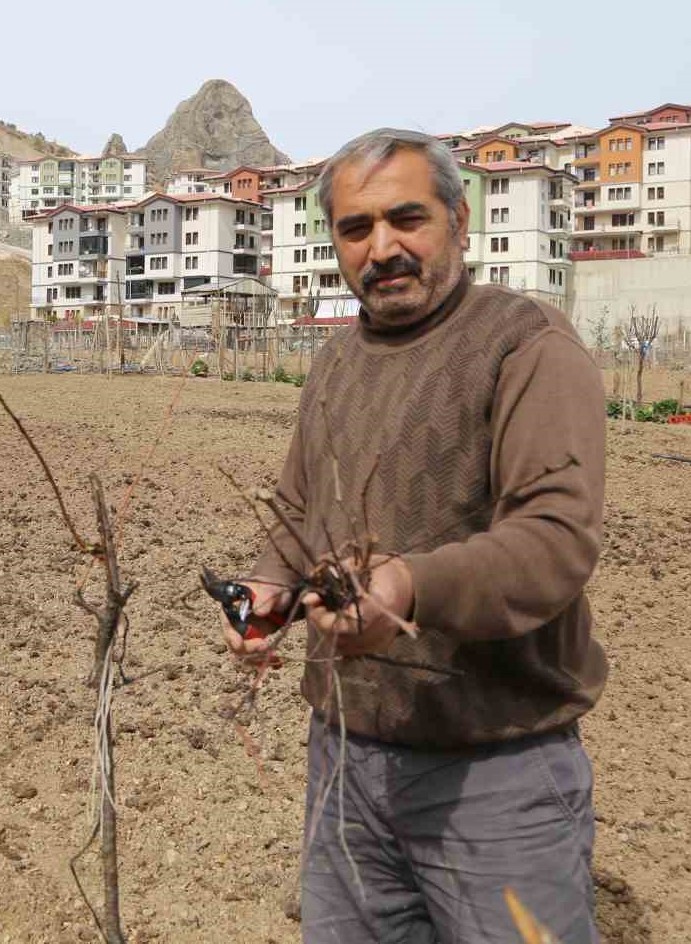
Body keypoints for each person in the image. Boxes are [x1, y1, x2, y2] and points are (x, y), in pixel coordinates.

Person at [222, 128, 607, 943]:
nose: (382, 247)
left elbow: (555, 538)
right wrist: (268, 593)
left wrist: (406, 588)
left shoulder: (523, 344)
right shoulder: (335, 363)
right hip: (345, 759)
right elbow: (297, 512)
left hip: (495, 772)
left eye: (407, 219)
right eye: (356, 229)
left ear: (460, 223)